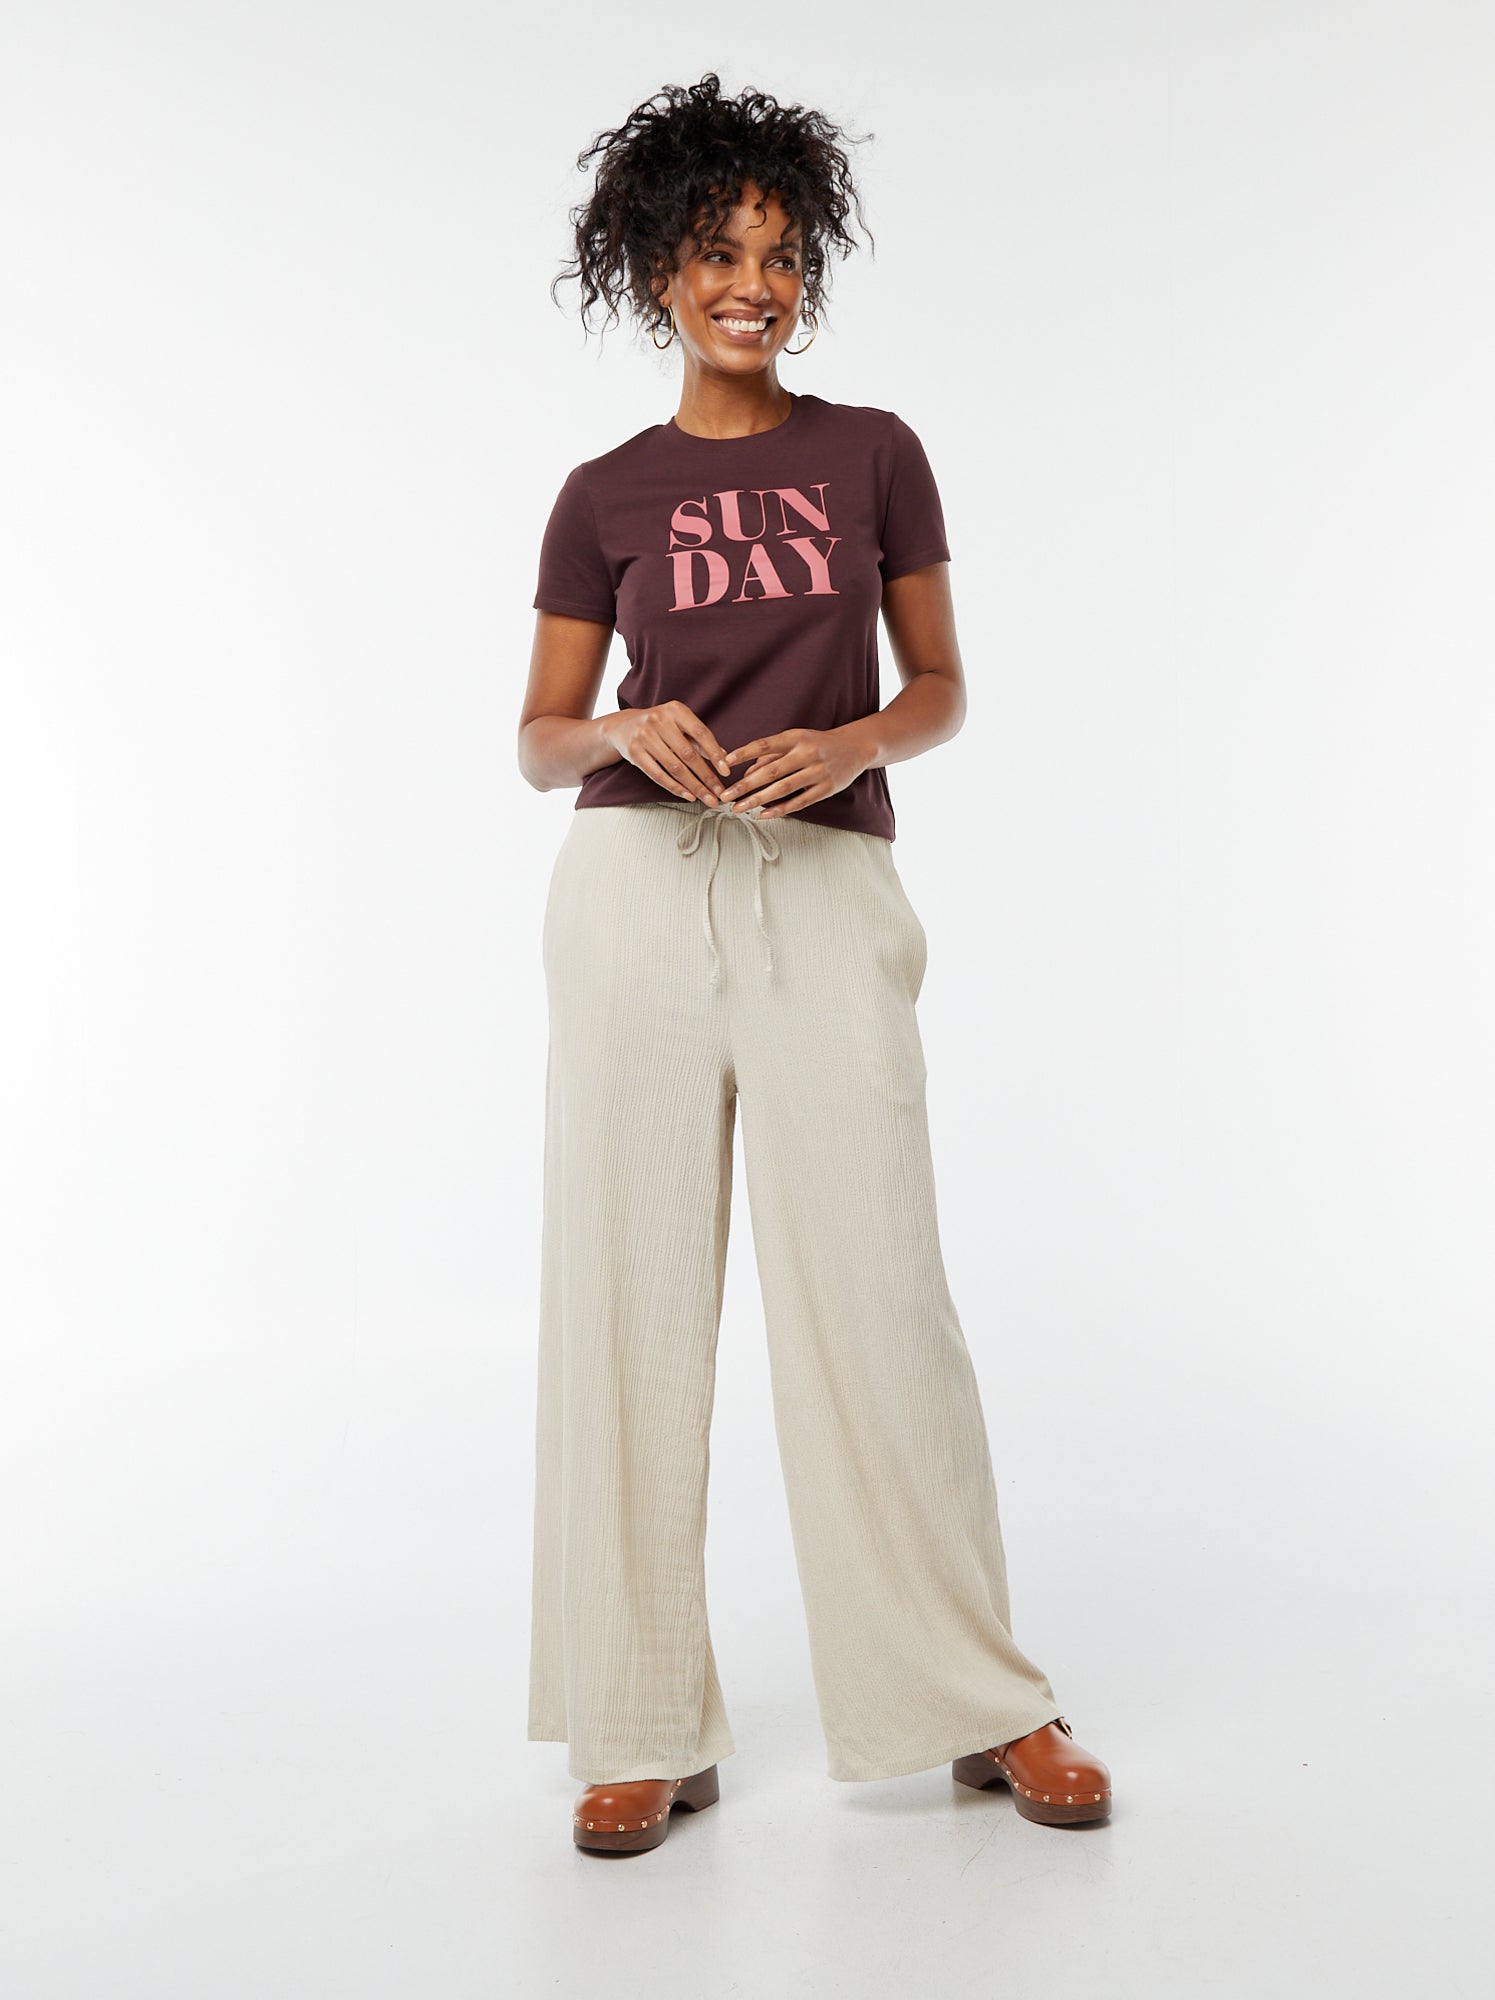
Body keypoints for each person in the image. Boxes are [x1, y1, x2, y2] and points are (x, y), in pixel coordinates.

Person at [518, 73, 1112, 1856]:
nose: (751, 285)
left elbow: (942, 687)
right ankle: (640, 1720)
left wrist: (854, 741)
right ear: (656, 270)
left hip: (827, 888)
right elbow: (538, 737)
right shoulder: (603, 494)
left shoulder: (874, 454)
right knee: (626, 1294)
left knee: (880, 1291)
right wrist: (620, 728)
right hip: (634, 889)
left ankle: (978, 1700)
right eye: (717, 252)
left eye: (779, 256)